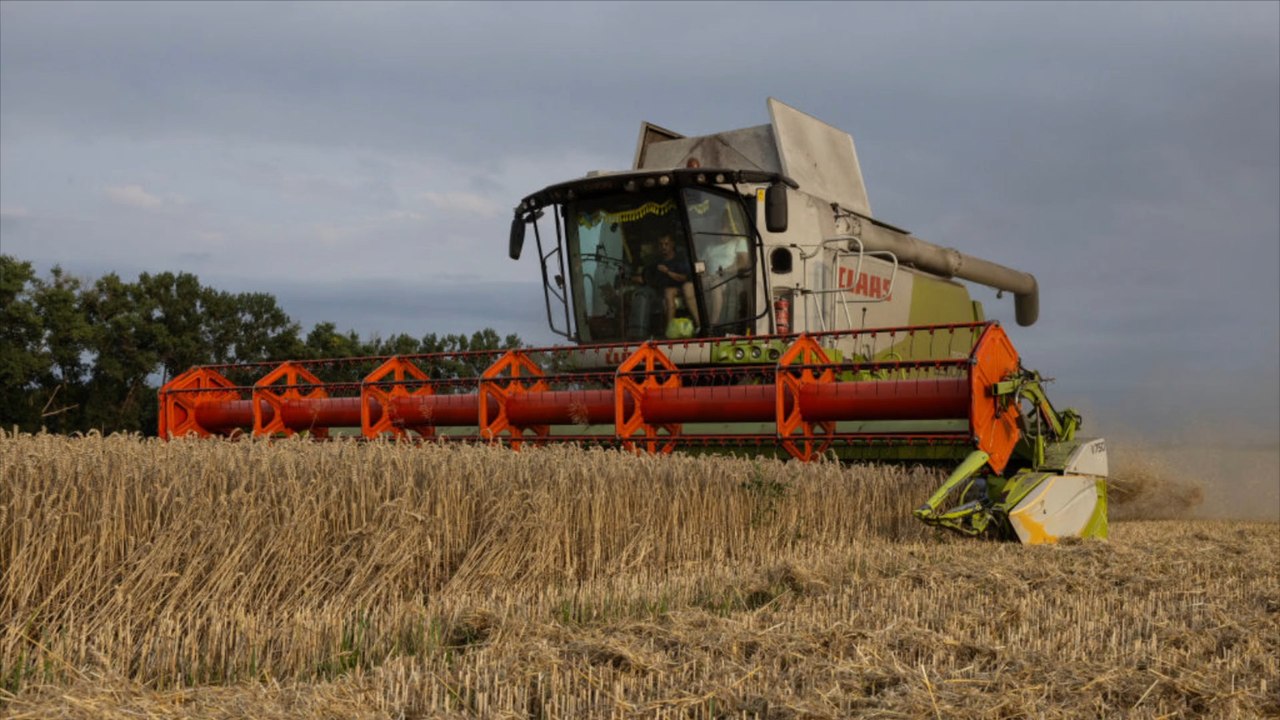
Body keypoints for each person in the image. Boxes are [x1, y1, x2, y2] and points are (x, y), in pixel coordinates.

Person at [629, 234, 699, 337]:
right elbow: (647, 278)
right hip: (662, 292)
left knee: (674, 290)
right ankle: (668, 330)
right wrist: (631, 278)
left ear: (672, 244)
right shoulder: (656, 262)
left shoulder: (680, 259)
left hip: (682, 288)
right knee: (665, 292)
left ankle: (699, 325)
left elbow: (685, 278)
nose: (663, 247)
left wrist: (667, 272)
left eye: (666, 244)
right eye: (661, 244)